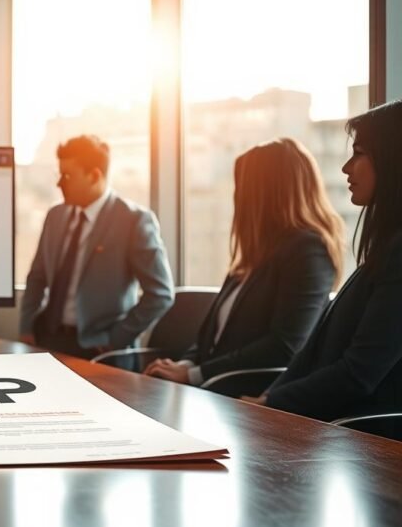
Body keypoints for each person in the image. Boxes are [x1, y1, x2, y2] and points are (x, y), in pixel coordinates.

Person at [143, 139, 345, 386]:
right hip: (214, 391)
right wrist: (183, 366)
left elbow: (284, 347)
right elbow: (211, 341)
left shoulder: (308, 252)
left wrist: (194, 375)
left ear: (264, 193)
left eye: (242, 187)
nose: (237, 197)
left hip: (250, 397)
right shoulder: (255, 254)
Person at [256, 100, 402, 421]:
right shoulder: (385, 247)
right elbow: (312, 353)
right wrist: (267, 398)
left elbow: (358, 375)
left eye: (359, 153)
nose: (346, 168)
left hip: (360, 442)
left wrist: (270, 405)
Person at [19, 135, 174, 358]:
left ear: (94, 176)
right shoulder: (55, 216)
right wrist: (26, 328)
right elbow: (37, 277)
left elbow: (160, 294)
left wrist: (115, 339)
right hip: (48, 341)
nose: (59, 183)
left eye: (68, 175)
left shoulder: (133, 221)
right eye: (59, 174)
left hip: (98, 350)